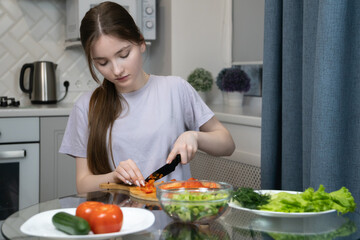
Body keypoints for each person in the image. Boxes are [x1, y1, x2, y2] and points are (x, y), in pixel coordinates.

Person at [59, 1, 235, 194]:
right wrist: (114, 176)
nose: (117, 70)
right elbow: (82, 185)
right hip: (119, 220)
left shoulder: (175, 89)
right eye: (102, 63)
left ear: (141, 43)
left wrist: (195, 137)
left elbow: (227, 144)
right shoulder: (86, 106)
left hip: (174, 219)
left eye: (124, 54)